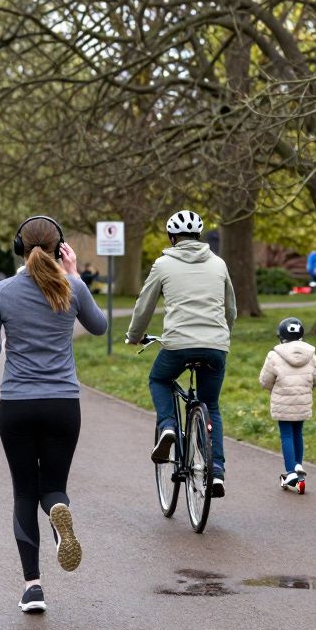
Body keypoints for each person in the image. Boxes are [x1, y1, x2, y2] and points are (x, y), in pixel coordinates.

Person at [0, 216, 108, 614]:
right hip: (62, 404)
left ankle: (33, 587)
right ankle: (57, 512)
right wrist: (75, 276)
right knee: (52, 487)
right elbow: (99, 327)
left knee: (22, 492)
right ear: (60, 246)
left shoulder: (1, 290)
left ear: (18, 246)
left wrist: (3, 335)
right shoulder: (72, 287)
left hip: (18, 404)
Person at [126, 210, 237, 497]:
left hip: (178, 345)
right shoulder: (219, 264)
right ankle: (216, 474)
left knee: (159, 380)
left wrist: (134, 336)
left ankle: (168, 427)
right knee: (210, 404)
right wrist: (222, 335)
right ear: (199, 237)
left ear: (172, 238)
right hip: (215, 345)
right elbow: (231, 310)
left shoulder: (163, 264)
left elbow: (144, 306)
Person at [259, 317, 316, 492]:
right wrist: (306, 388)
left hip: (283, 401)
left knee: (286, 435)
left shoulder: (274, 355)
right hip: (302, 401)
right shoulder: (311, 354)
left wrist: (275, 389)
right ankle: (298, 465)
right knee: (297, 433)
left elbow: (265, 381)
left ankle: (291, 471)